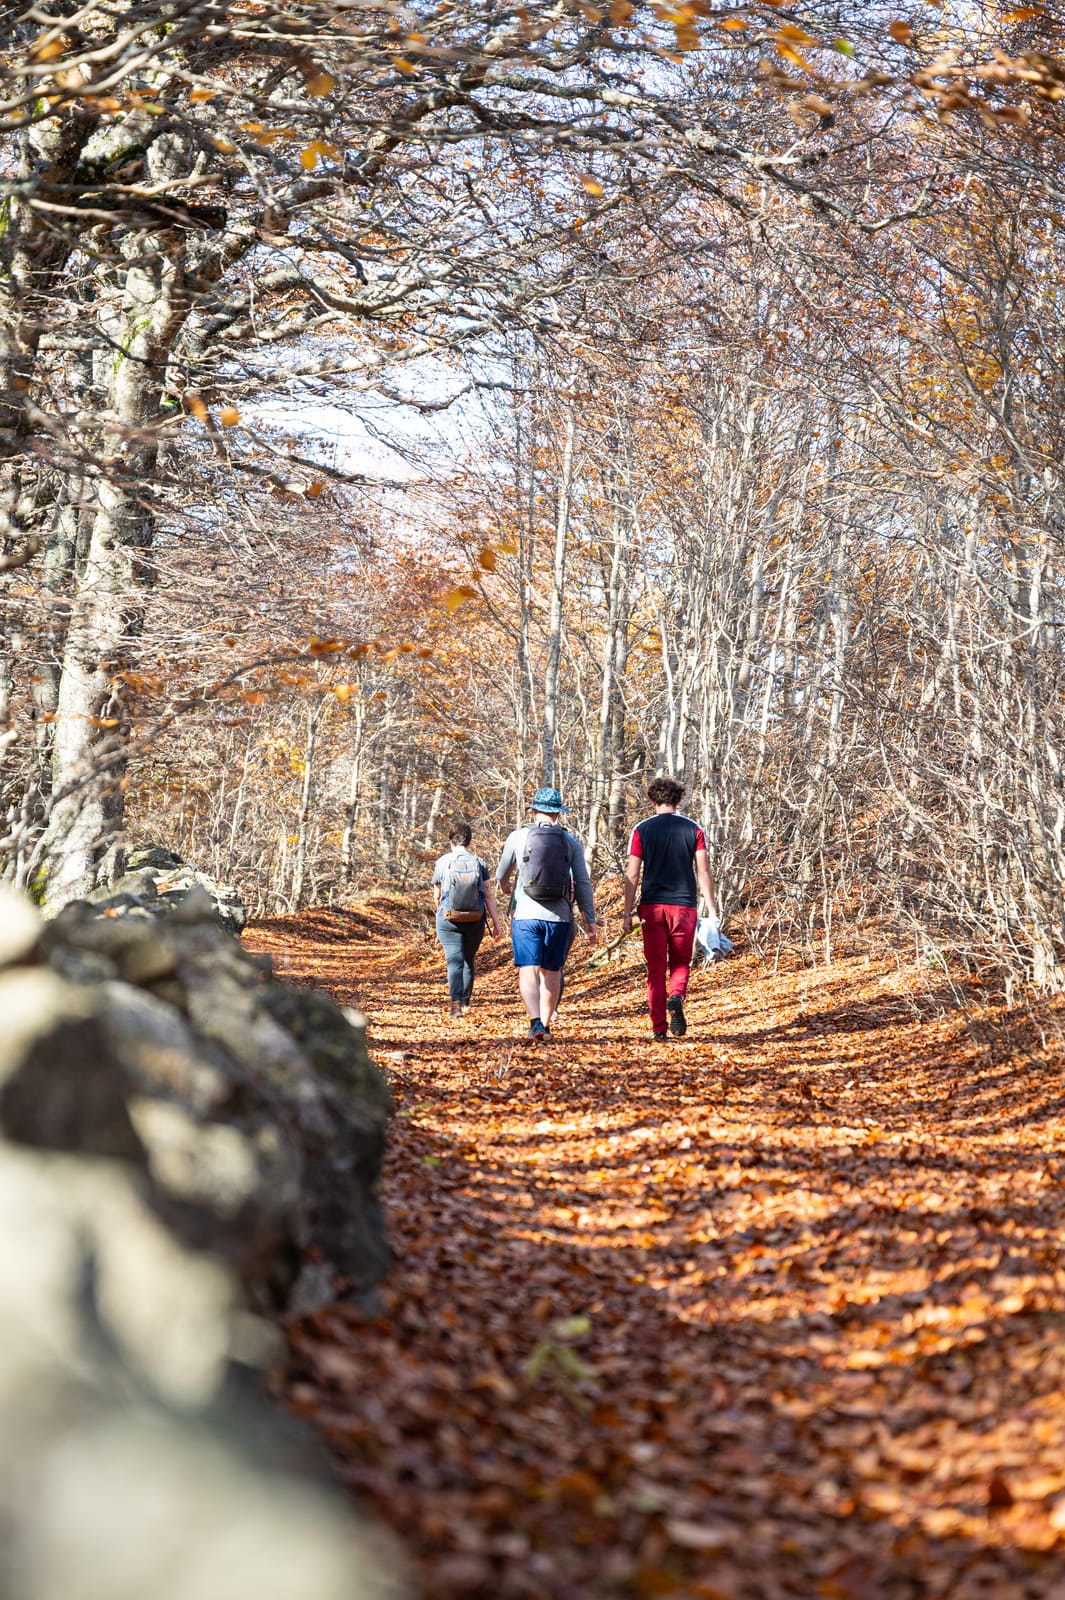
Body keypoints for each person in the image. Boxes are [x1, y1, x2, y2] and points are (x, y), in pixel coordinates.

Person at [496, 786, 598, 1041]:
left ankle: (534, 1024)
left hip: (526, 915)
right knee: (552, 971)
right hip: (560, 917)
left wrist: (506, 886)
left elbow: (500, 873)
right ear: (558, 813)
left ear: (535, 810)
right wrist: (590, 919)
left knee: (528, 969)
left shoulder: (518, 837)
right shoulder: (570, 841)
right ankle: (545, 1023)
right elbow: (583, 882)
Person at [622, 776, 718, 1041]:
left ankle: (659, 1029)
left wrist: (627, 912)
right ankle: (676, 995)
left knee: (655, 968)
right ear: (677, 800)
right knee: (680, 962)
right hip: (683, 906)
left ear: (653, 801)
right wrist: (711, 909)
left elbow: (632, 875)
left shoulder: (642, 829)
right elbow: (703, 870)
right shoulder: (693, 829)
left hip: (652, 907)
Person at [432, 821, 502, 1017]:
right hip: (475, 918)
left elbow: (437, 894)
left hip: (448, 919)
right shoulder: (479, 863)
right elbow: (488, 895)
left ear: (451, 841)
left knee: (454, 961)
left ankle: (455, 1006)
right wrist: (497, 924)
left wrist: (440, 914)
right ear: (469, 841)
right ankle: (465, 1003)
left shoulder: (442, 862)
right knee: (469, 960)